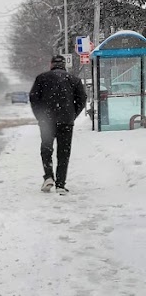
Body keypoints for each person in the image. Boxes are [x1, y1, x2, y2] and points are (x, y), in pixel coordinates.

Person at [29, 54, 87, 194]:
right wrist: (72, 115)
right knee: (64, 152)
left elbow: (33, 98)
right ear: (64, 65)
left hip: (47, 121)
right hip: (66, 121)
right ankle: (60, 183)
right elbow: (82, 99)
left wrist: (40, 116)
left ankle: (48, 176)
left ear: (51, 64)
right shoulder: (74, 80)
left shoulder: (41, 78)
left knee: (46, 148)